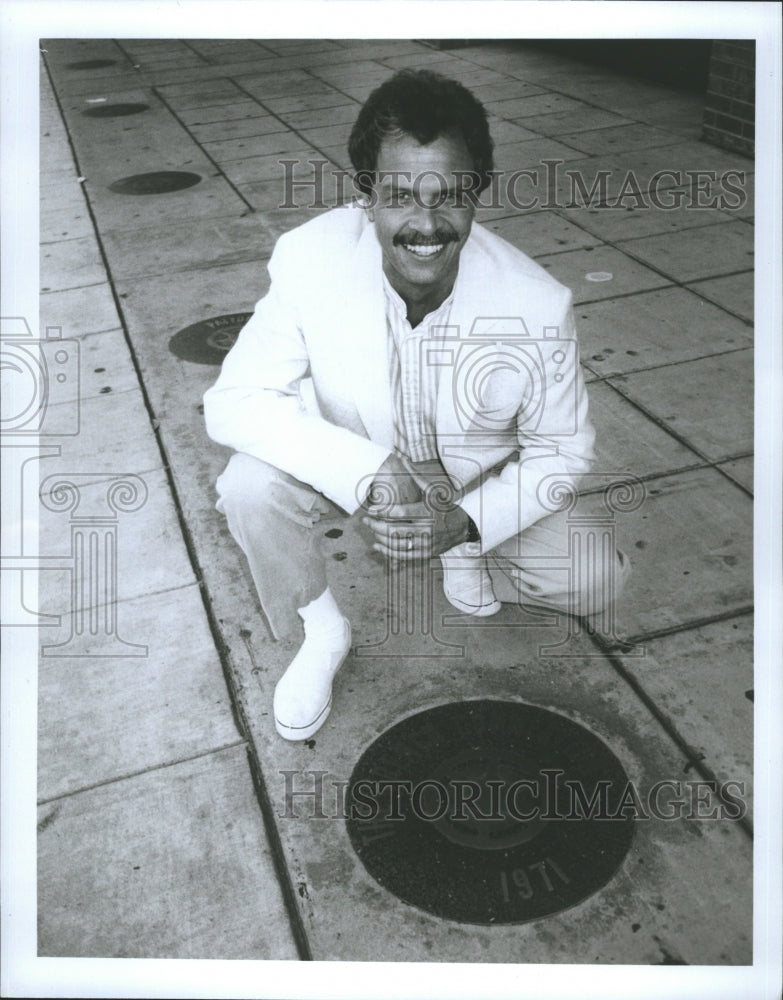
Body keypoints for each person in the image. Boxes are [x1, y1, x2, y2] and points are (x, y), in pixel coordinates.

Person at [204, 69, 629, 741]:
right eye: (399, 194)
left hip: (469, 479)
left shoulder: (536, 304)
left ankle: (464, 548)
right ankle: (321, 631)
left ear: (476, 194)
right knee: (247, 486)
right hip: (354, 457)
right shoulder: (309, 258)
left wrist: (464, 523)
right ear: (366, 197)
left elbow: (563, 449)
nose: (425, 223)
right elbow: (232, 402)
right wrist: (368, 469)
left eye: (449, 195)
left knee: (594, 578)